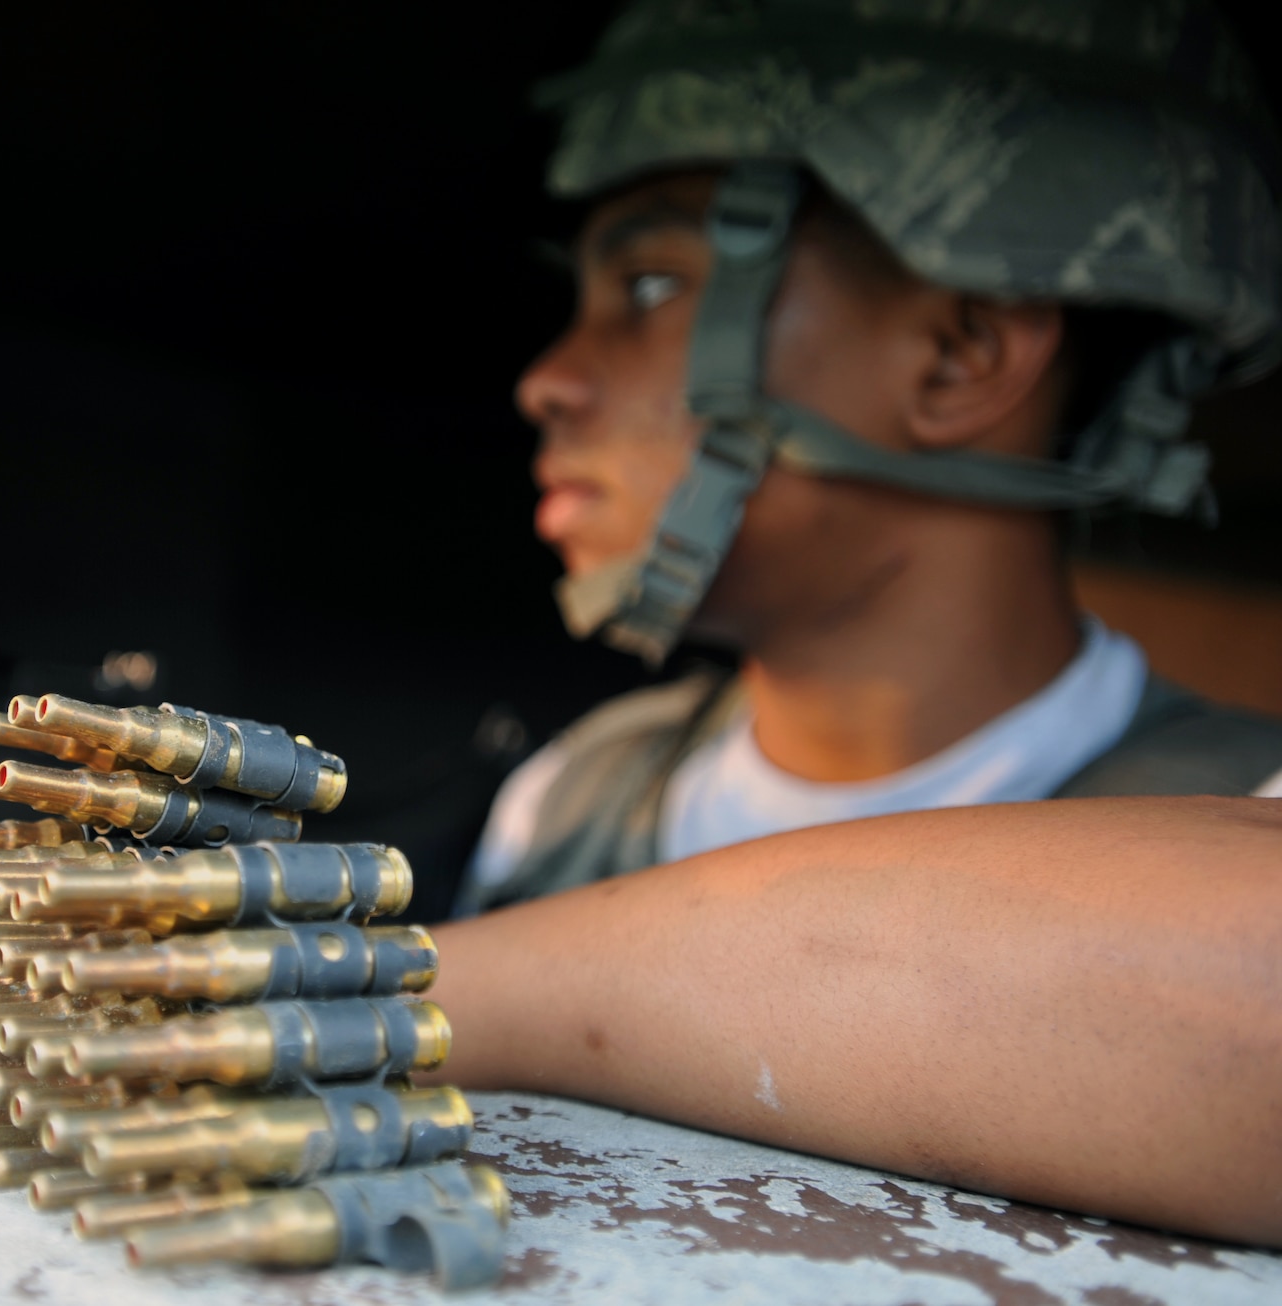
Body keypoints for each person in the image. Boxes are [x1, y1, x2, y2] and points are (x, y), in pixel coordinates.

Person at [429, 0, 1282, 1247]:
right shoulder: (578, 792)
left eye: (653, 283)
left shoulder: (1251, 796)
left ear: (956, 355)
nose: (548, 377)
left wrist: (414, 986)